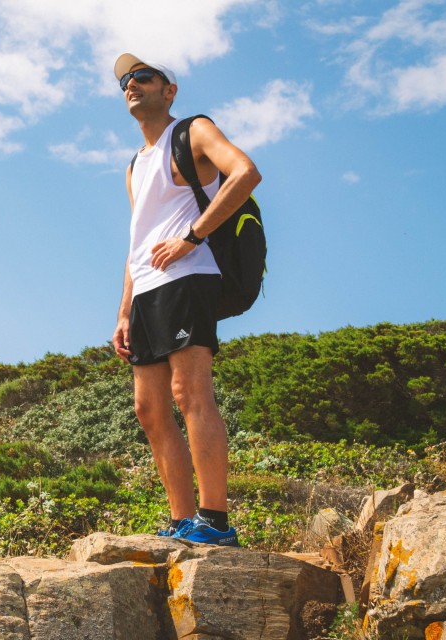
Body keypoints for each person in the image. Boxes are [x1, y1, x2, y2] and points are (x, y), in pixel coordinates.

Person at [110, 53, 261, 546]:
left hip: (189, 276)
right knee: (148, 409)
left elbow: (245, 173)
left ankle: (215, 522)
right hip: (146, 289)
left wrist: (192, 237)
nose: (131, 84)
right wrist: (123, 309)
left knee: (188, 392)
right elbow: (138, 237)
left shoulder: (193, 130)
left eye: (142, 76)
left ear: (168, 89)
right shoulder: (134, 165)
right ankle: (181, 520)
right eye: (125, 82)